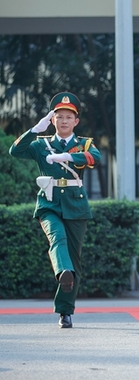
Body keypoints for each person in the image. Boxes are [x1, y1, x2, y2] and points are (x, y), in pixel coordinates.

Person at [9, 92, 101, 329]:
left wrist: (67, 156)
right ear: (52, 120)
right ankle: (62, 271)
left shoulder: (84, 143)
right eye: (59, 116)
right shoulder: (41, 144)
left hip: (76, 204)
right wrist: (34, 130)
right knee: (57, 239)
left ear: (76, 121)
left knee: (75, 259)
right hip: (49, 203)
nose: (63, 121)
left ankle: (65, 310)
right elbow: (15, 152)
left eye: (68, 117)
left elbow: (95, 158)